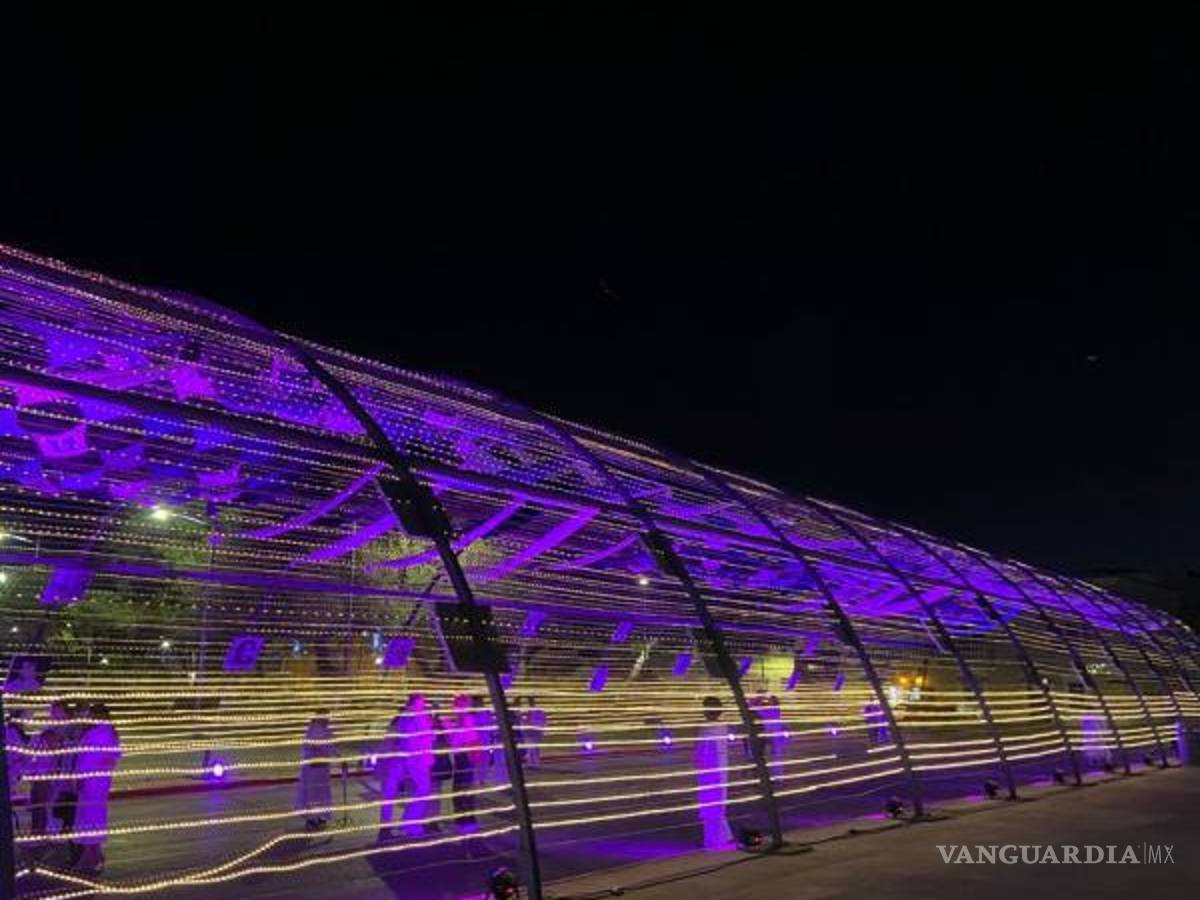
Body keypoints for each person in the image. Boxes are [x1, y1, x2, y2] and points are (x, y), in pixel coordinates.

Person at [69, 703, 122, 872]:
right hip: (97, 781)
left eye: (91, 714)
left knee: (90, 818)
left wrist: (83, 776)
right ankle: (93, 856)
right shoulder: (106, 732)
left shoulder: (99, 733)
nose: (88, 717)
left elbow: (90, 759)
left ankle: (92, 858)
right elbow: (112, 757)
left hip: (92, 781)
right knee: (92, 817)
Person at [695, 696, 735, 850]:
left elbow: (705, 748)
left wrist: (701, 761)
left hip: (713, 768)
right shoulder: (715, 726)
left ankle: (716, 839)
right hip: (712, 768)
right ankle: (719, 837)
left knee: (713, 804)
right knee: (712, 805)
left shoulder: (713, 727)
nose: (705, 711)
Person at [28, 700, 71, 839]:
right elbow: (35, 746)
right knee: (39, 805)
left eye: (57, 711)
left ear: (65, 712)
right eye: (53, 711)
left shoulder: (69, 730)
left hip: (56, 774)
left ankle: (44, 834)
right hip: (42, 772)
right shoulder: (48, 729)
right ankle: (38, 834)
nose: (54, 714)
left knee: (48, 806)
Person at [296, 709, 336, 831]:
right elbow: (322, 746)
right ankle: (312, 819)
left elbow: (330, 746)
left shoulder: (323, 729)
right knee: (314, 795)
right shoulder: (315, 729)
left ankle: (319, 817)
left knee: (320, 794)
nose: (328, 719)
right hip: (314, 768)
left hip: (321, 768)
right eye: (326, 716)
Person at [448, 693, 482, 833]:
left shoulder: (467, 719)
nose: (455, 707)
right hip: (461, 758)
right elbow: (455, 741)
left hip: (465, 757)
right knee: (459, 790)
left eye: (458, 704)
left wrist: (452, 732)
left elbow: (468, 739)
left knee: (463, 789)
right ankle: (463, 820)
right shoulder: (460, 720)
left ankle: (467, 820)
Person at [5, 711, 29, 830]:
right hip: (13, 768)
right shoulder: (11, 732)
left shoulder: (15, 732)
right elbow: (17, 752)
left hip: (15, 769)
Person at [757, 695, 786, 781]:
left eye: (770, 700)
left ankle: (776, 776)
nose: (768, 701)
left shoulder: (773, 710)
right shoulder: (774, 709)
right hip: (772, 735)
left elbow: (761, 713)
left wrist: (759, 704)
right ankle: (775, 776)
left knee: (774, 756)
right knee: (773, 756)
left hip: (773, 735)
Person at [523, 697, 546, 768]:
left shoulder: (537, 711)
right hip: (529, 732)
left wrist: (534, 725)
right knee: (530, 748)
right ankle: (531, 763)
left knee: (534, 748)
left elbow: (542, 721)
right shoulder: (528, 712)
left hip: (535, 732)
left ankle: (535, 763)